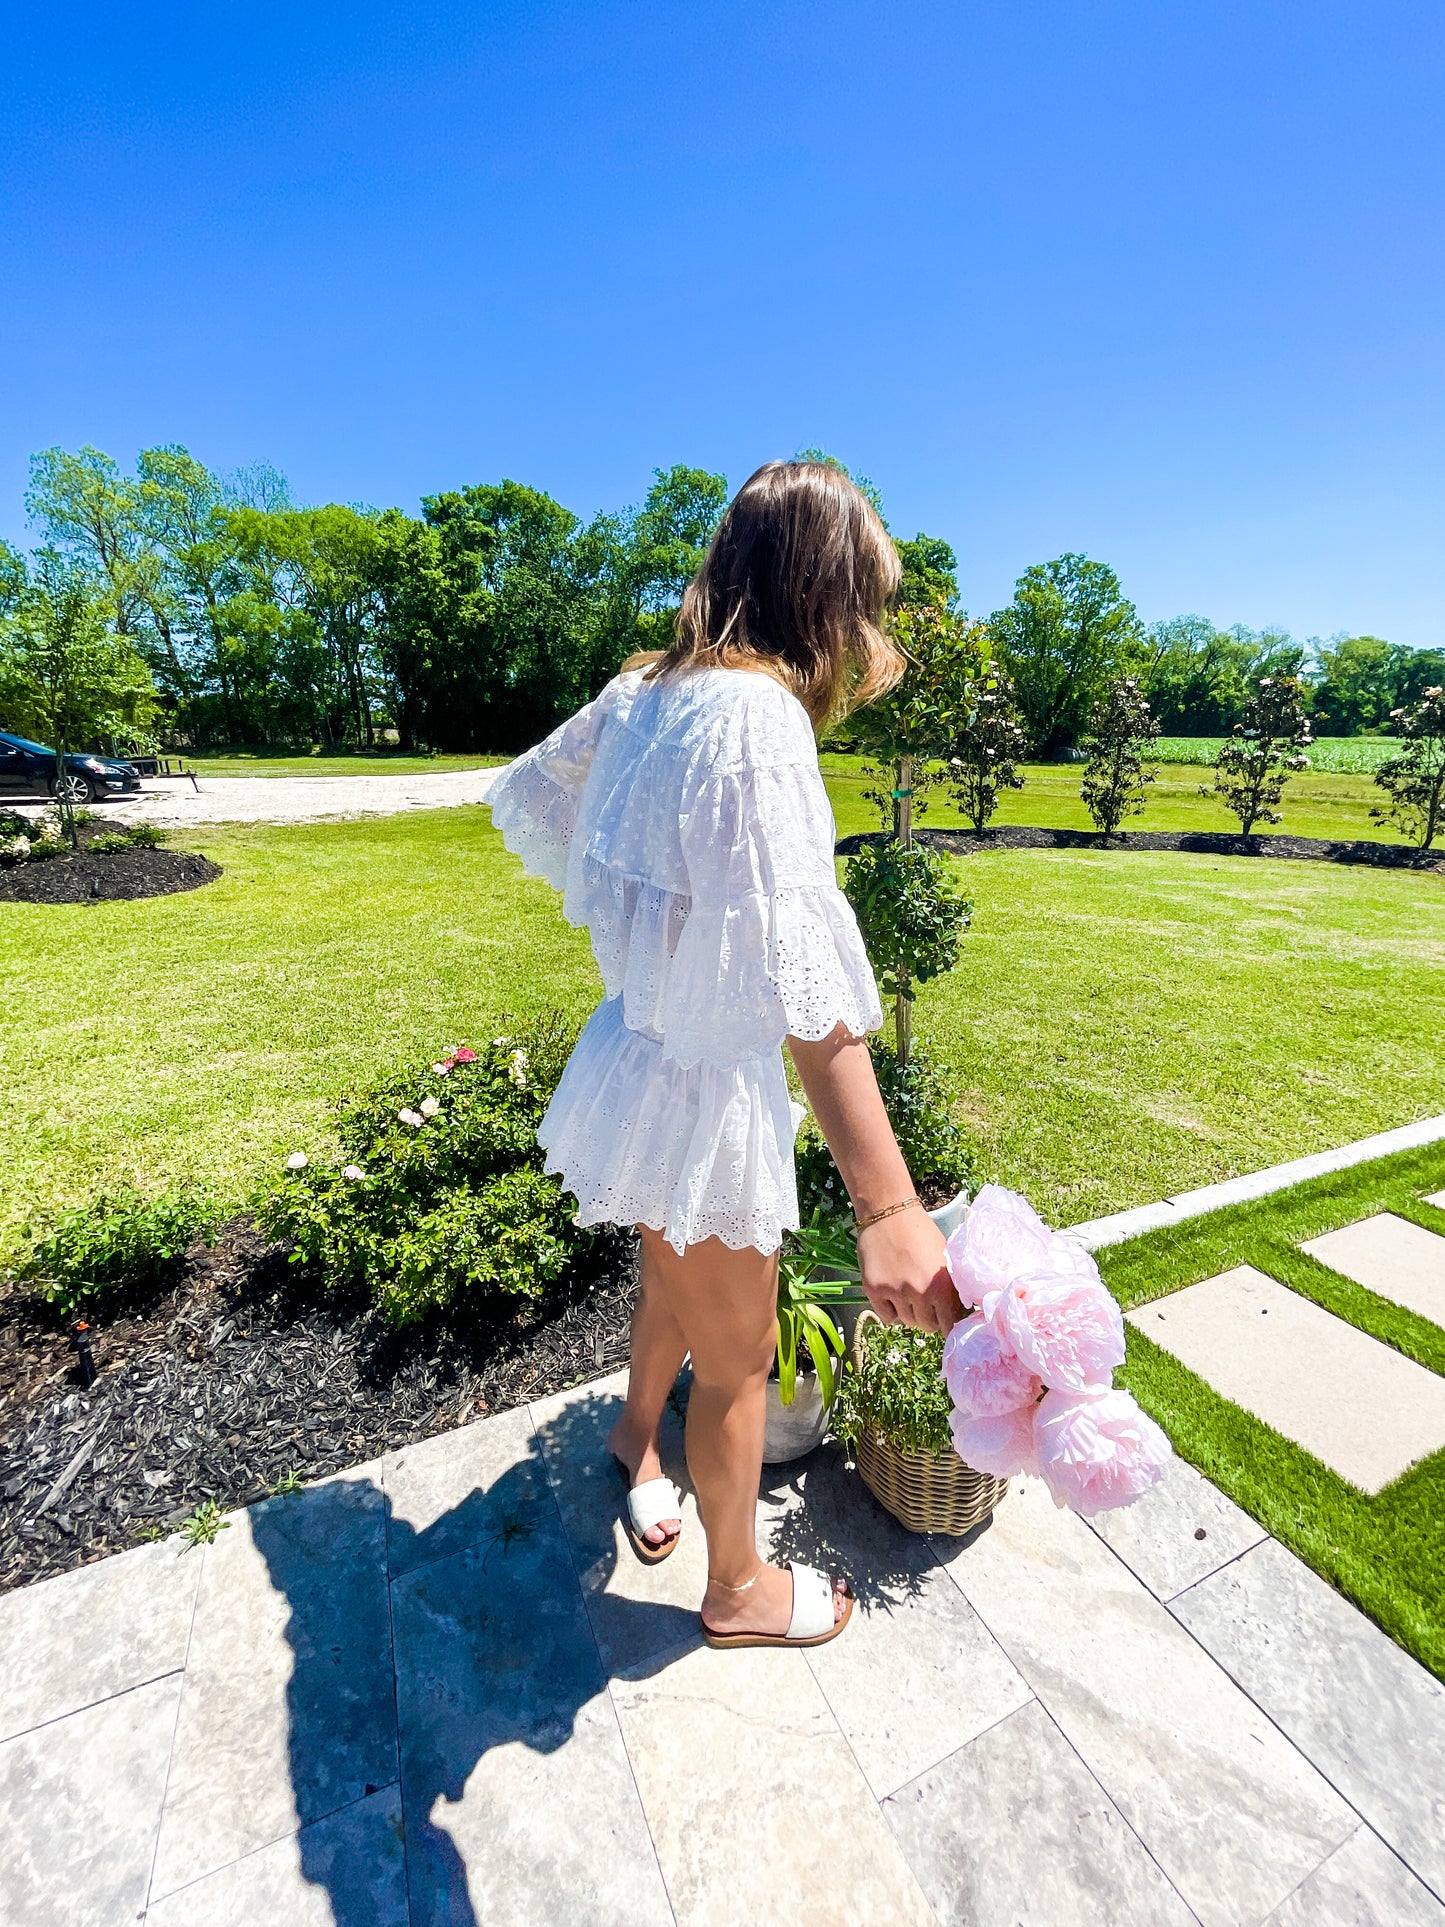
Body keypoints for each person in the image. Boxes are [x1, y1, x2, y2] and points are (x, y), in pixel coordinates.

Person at [487, 459, 960, 1649]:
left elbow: (541, 793)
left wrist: (657, 932)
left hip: (636, 1062)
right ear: (823, 592)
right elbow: (804, 987)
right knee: (741, 1357)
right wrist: (889, 1206)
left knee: (677, 1283)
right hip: (694, 1085)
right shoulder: (756, 716)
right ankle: (737, 1585)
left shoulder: (645, 687)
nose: (871, 632)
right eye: (868, 601)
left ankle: (630, 1436)